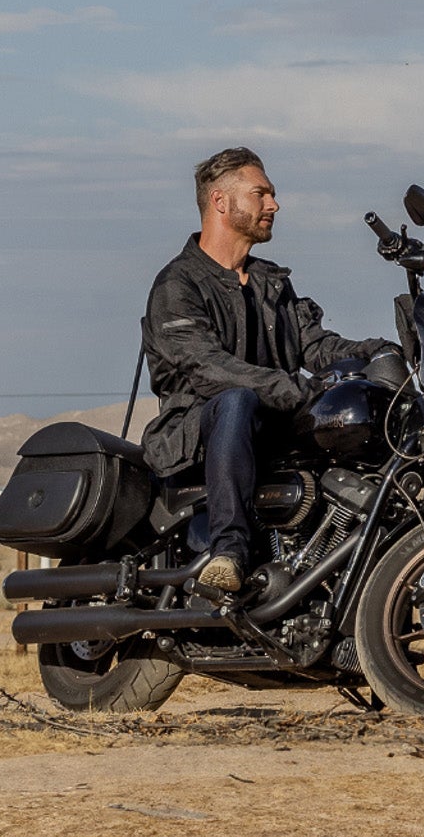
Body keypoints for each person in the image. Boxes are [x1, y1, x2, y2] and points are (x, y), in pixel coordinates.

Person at [140, 147, 397, 596]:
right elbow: (208, 367)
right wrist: (292, 388)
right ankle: (227, 552)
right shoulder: (178, 284)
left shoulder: (269, 282)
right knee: (235, 400)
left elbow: (316, 346)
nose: (274, 205)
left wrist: (379, 351)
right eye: (260, 194)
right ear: (220, 201)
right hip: (195, 436)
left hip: (270, 428)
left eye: (271, 195)